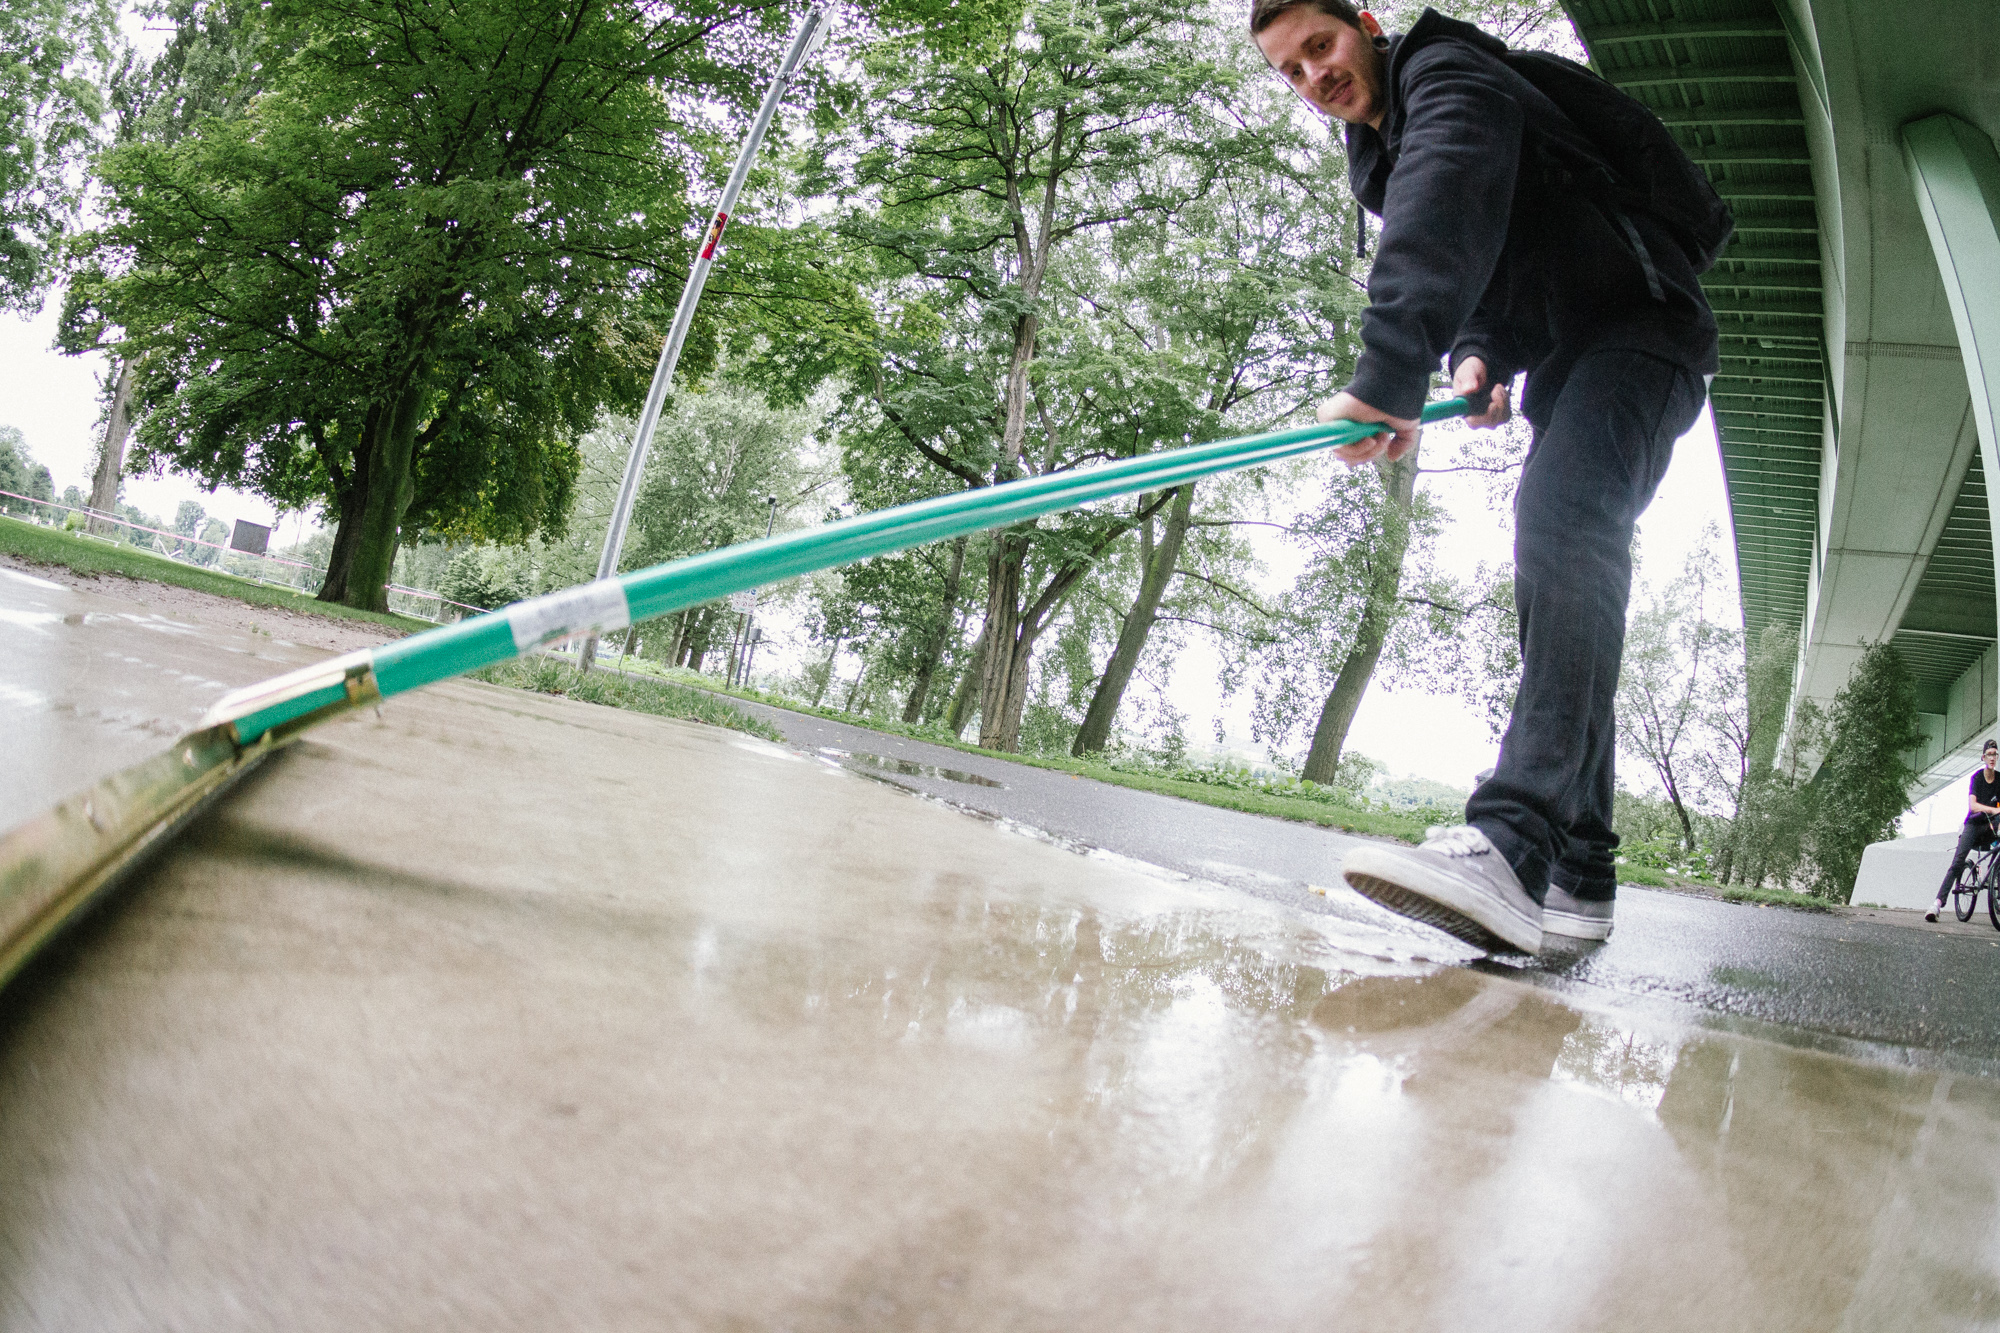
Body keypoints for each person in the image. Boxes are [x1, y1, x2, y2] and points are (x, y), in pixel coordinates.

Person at [1250, 1, 1718, 952]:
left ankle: (1512, 843)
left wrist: (1387, 373)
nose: (1315, 79)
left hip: (1647, 324)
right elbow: (1501, 247)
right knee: (1559, 570)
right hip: (1574, 352)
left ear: (1366, 23)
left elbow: (1454, 182)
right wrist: (1474, 350)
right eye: (1291, 72)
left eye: (1321, 46)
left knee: (1563, 518)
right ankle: (1579, 877)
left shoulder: (1446, 71)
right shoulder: (1377, 156)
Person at [1926, 739, 2000, 922]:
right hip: (1974, 826)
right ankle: (1936, 905)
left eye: (1995, 754)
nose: (1992, 758)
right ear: (1983, 757)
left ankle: (1994, 873)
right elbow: (1973, 806)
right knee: (1958, 862)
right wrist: (1993, 809)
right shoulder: (1976, 777)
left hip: (1991, 827)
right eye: (1989, 754)